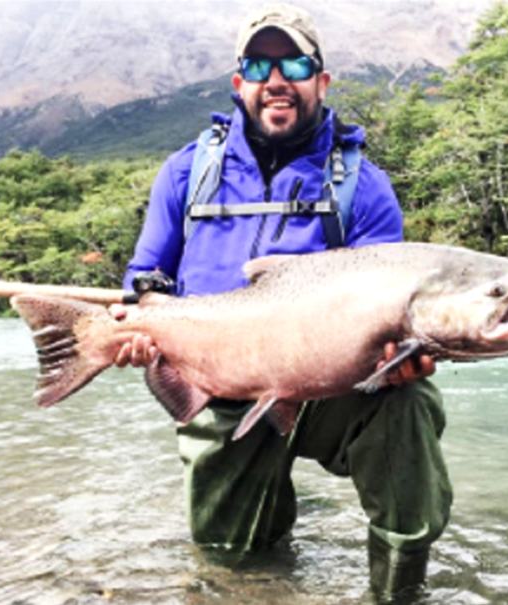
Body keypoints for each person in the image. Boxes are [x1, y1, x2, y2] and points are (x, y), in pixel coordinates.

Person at [113, 4, 452, 601]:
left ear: (321, 81)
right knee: (231, 561)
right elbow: (147, 276)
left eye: (294, 65)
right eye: (258, 66)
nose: (276, 79)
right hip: (220, 384)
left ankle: (399, 591)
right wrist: (144, 321)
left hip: (332, 388)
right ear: (238, 81)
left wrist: (400, 358)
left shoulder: (364, 186)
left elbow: (388, 307)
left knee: (408, 401)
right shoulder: (187, 172)